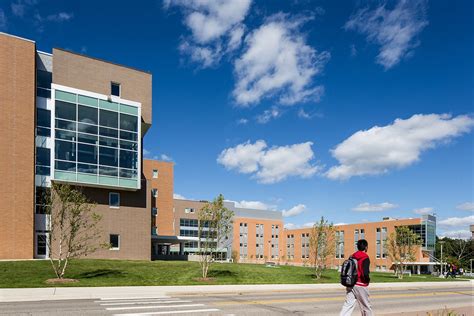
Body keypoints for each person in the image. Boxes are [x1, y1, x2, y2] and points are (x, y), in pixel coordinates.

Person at [340, 239, 373, 316]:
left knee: (348, 305)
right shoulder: (365, 257)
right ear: (366, 247)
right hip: (360, 284)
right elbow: (365, 273)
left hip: (351, 284)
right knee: (366, 307)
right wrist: (367, 280)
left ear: (357, 247)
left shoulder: (352, 256)